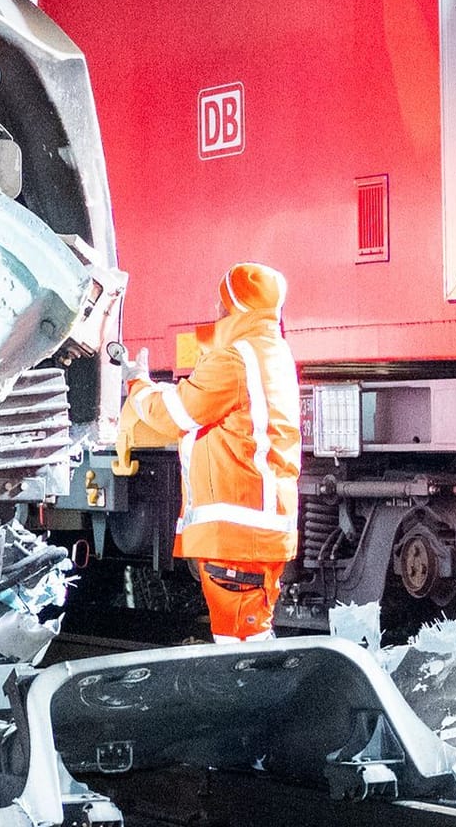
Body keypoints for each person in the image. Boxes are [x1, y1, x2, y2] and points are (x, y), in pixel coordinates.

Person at [118, 262, 300, 642]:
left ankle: (256, 703)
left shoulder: (236, 360)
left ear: (235, 307)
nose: (215, 311)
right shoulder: (272, 353)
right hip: (259, 528)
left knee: (241, 650)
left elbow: (172, 415)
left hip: (238, 535)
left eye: (221, 303)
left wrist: (137, 384)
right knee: (249, 640)